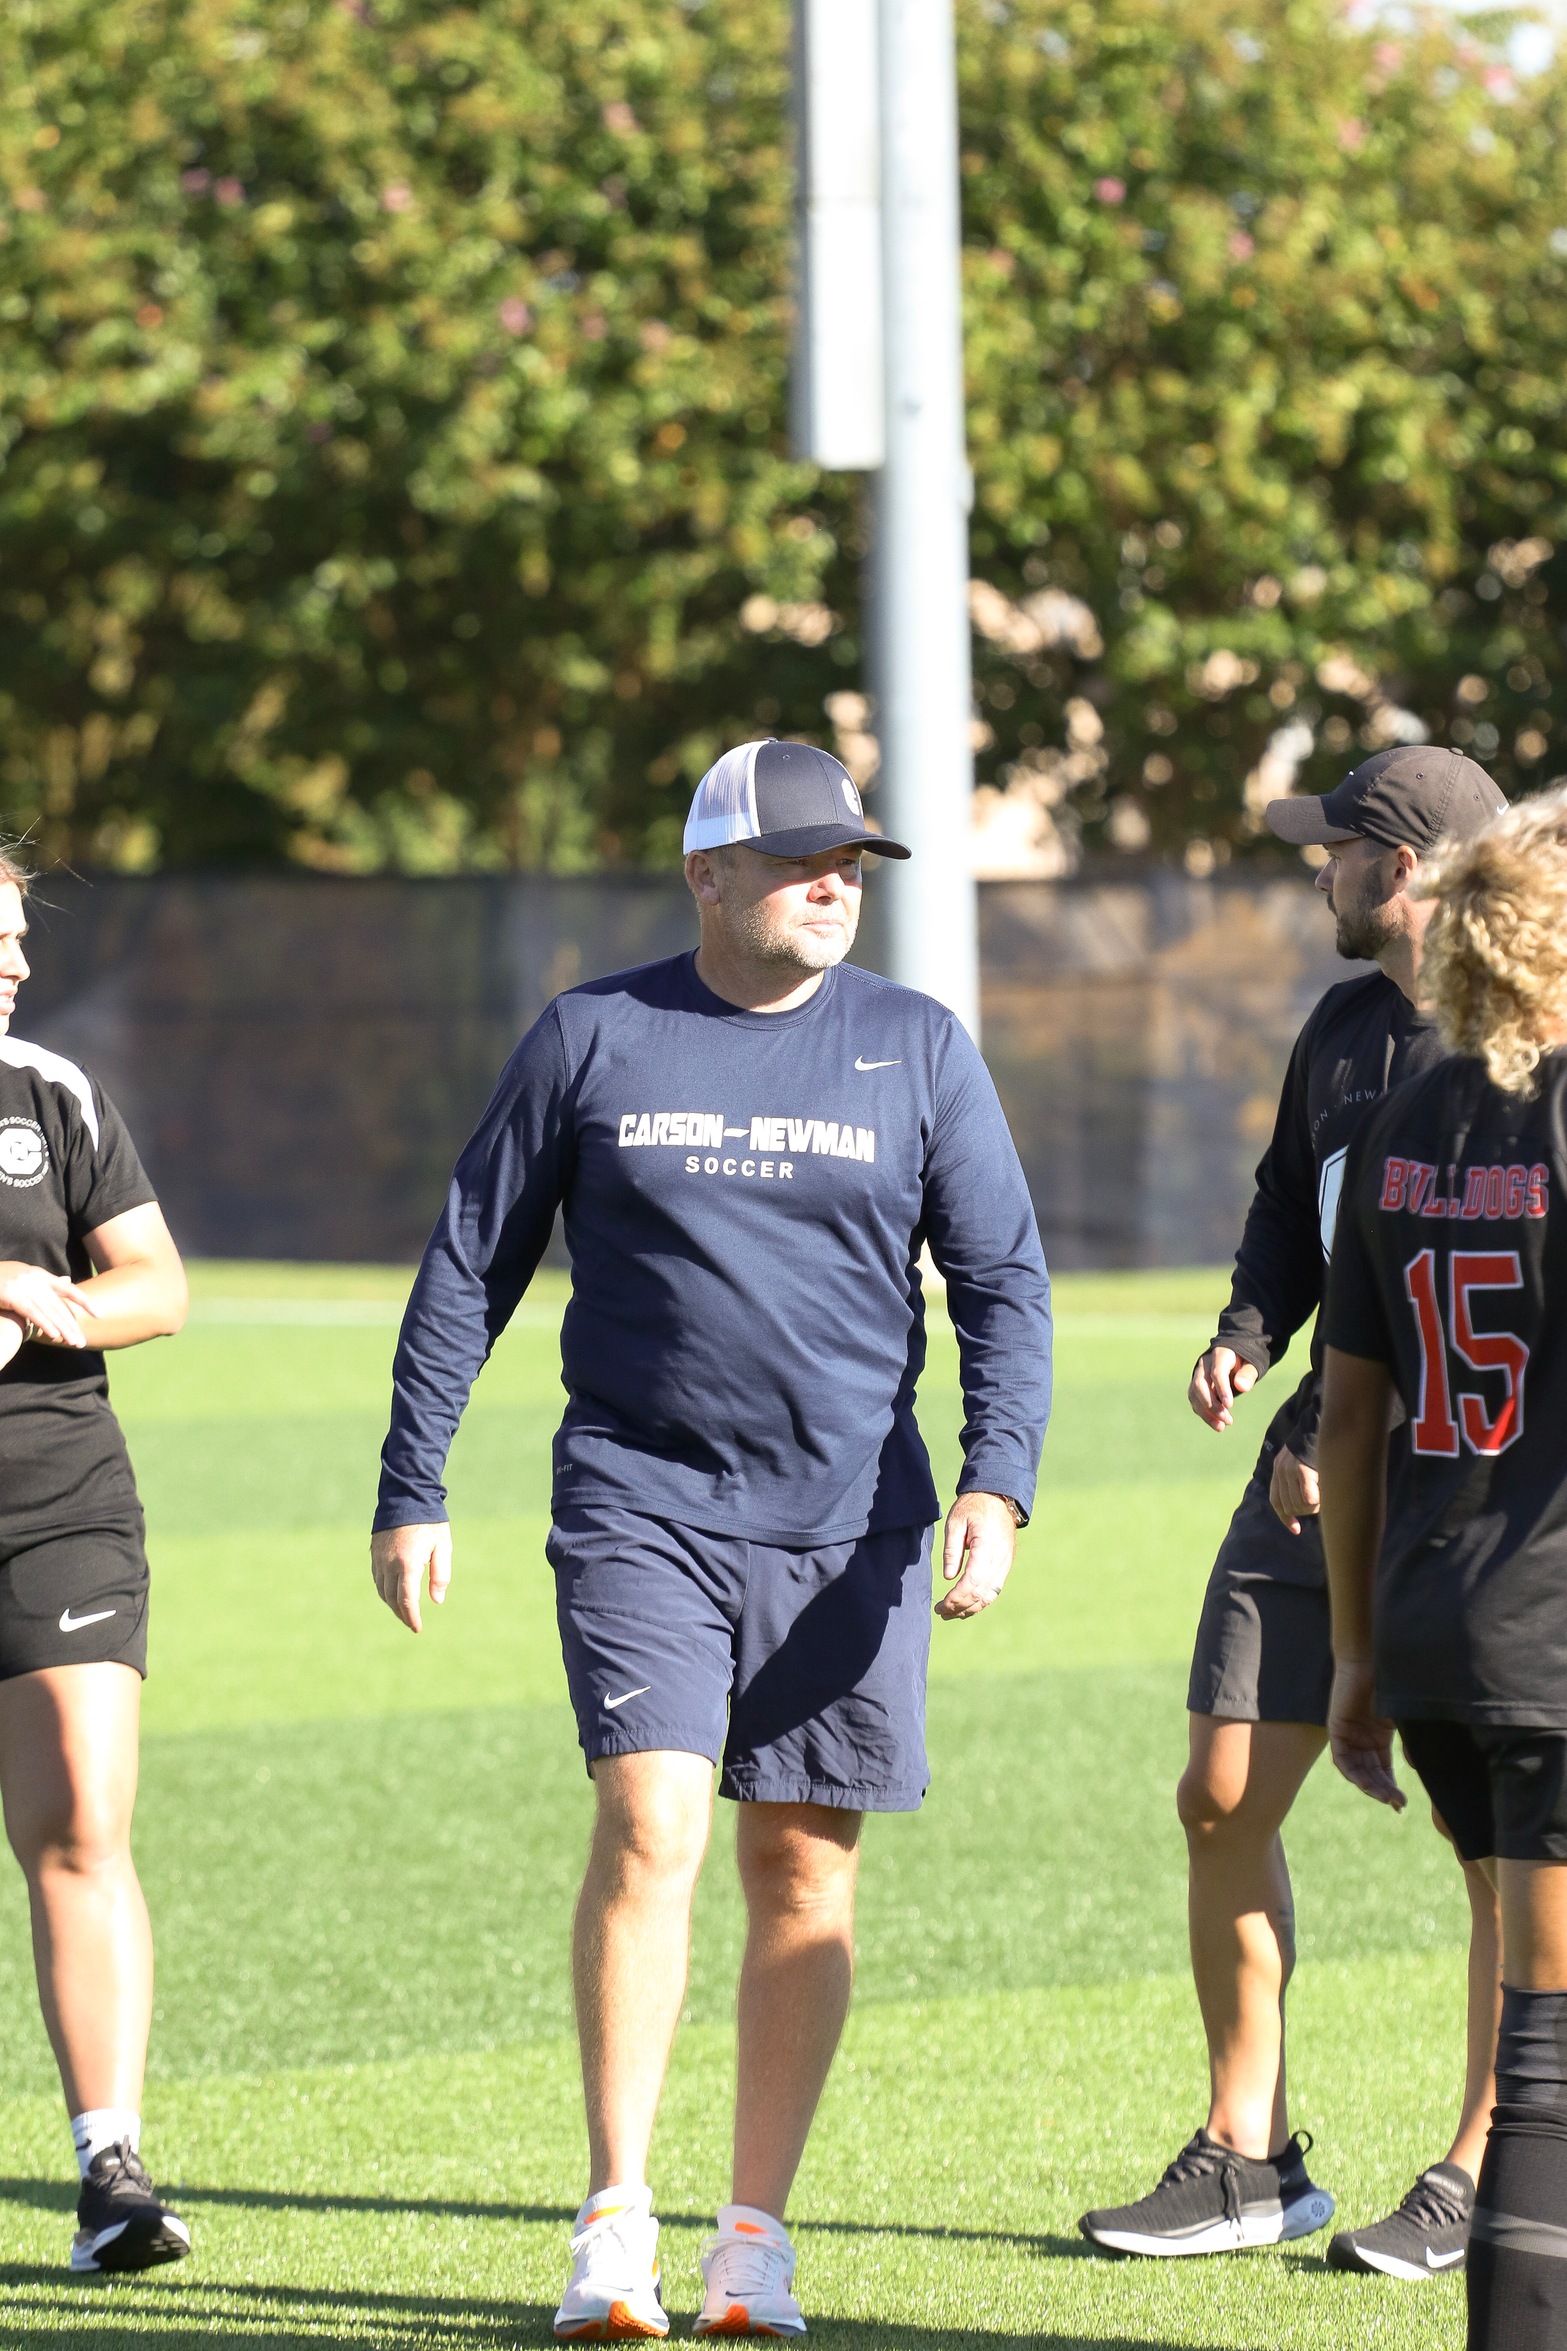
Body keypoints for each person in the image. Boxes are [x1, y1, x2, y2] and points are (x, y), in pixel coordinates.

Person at [370, 739, 1052, 2342]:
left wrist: (994, 1481)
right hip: (640, 1504)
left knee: (802, 1868)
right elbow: (469, 1264)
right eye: (805, 857)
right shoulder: (592, 1033)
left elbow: (1006, 1285)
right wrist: (416, 1483)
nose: (837, 882)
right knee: (654, 1829)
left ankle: (755, 2237)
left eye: (854, 862)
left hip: (853, 1525)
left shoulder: (919, 1047)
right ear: (709, 877)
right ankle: (616, 2221)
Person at [1080, 746, 1510, 2272]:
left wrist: (1380, 1436)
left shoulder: (1526, 1052)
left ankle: (1485, 2164)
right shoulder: (1338, 1029)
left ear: (1399, 871)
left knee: (1507, 1854)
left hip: (1478, 1487)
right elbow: (1289, 1205)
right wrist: (1245, 1334)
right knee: (1218, 1794)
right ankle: (1248, 2154)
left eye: (1331, 849)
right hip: (1315, 1447)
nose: (1309, 870)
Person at [1319, 780, 1567, 2347]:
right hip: (1552, 1644)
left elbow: (1351, 1416)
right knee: (1544, 2049)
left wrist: (1351, 1659)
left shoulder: (1408, 1118)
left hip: (1425, 1634)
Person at [0, 846, 191, 2273]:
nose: (14, 965)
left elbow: (157, 1286)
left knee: (80, 1819)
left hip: (52, 1499)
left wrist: (43, 1298)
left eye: (18, 938)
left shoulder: (52, 1093)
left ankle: (108, 2170)